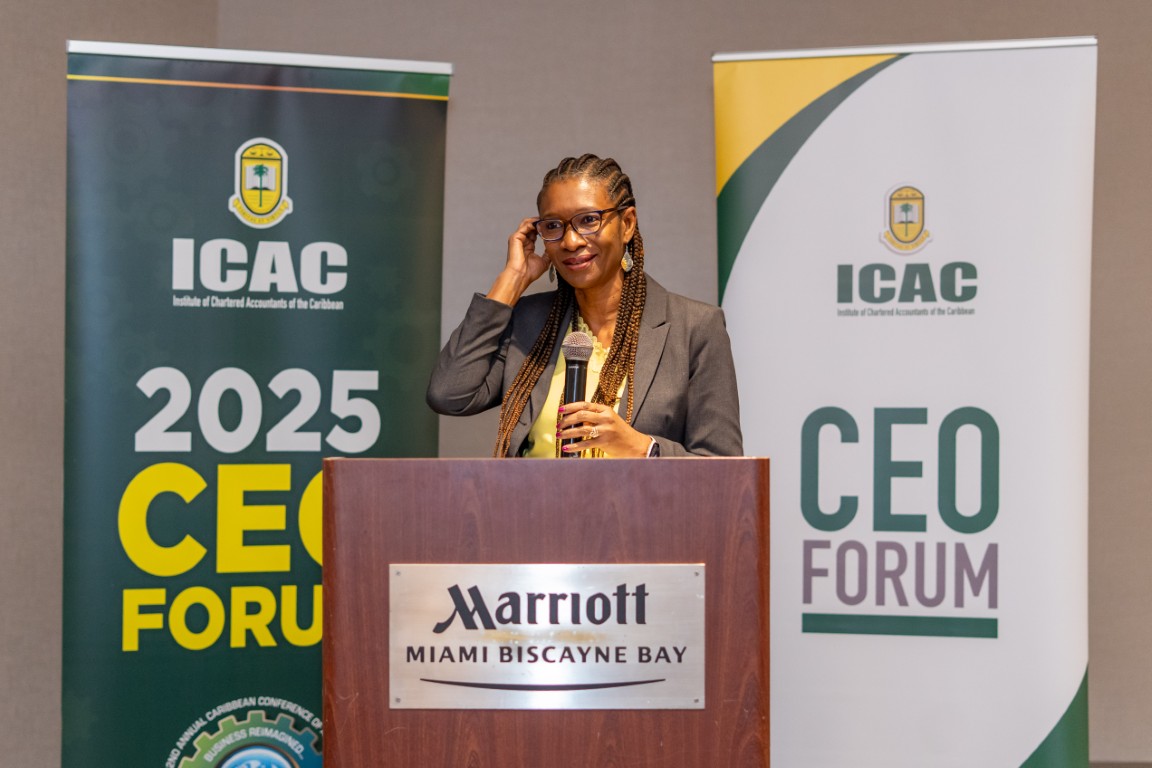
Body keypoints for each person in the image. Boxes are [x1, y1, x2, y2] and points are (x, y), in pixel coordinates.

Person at [427, 154, 742, 458]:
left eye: (589, 220)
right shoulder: (528, 324)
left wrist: (643, 448)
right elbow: (450, 394)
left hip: (638, 498)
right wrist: (511, 281)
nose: (571, 241)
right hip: (533, 497)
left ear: (627, 223)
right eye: (553, 226)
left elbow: (723, 466)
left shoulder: (695, 328)